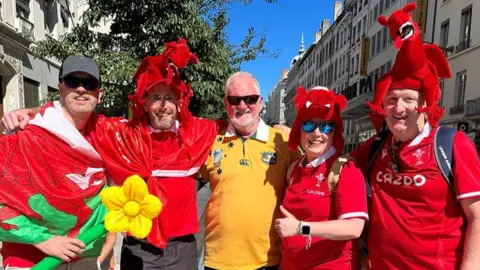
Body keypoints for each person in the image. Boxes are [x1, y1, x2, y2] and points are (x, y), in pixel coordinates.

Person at [1, 39, 218, 270]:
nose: (163, 105)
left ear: (180, 102)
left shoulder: (198, 134)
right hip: (45, 256)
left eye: (170, 98)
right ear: (144, 103)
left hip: (170, 249)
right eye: (156, 97)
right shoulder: (120, 134)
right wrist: (32, 113)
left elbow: (233, 124)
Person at [343, 3, 480, 269]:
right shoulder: (376, 145)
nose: (399, 108)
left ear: (425, 103)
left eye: (408, 99)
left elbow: (477, 216)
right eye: (391, 99)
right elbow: (338, 166)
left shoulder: (452, 145)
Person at [0, 55, 108, 269]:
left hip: (84, 256)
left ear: (99, 94)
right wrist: (43, 240)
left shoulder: (109, 137)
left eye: (89, 84)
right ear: (60, 88)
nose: (80, 89)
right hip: (31, 258)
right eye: (72, 81)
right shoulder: (24, 135)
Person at [199, 72, 302, 270]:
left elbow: (308, 182)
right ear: (225, 103)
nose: (243, 106)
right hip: (218, 260)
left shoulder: (283, 141)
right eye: (234, 100)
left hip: (267, 260)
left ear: (261, 101)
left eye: (250, 99)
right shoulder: (211, 141)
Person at [274, 86, 368, 269]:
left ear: (334, 132)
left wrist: (301, 228)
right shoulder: (294, 168)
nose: (316, 133)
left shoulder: (346, 169)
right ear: (299, 130)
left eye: (326, 126)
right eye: (309, 125)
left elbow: (354, 228)